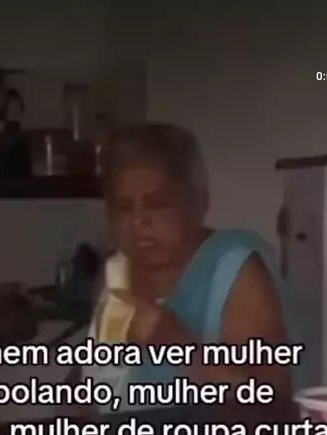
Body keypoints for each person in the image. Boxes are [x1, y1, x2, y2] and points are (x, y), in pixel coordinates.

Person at [83, 122, 302, 410]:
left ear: (196, 203)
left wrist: (175, 343)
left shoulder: (234, 268)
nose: (138, 221)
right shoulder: (116, 272)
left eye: (157, 204)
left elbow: (271, 400)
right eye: (124, 207)